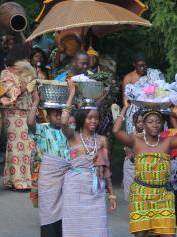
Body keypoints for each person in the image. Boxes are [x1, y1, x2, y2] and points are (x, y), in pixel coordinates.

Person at [113, 100, 177, 237]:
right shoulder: (136, 141)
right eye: (150, 122)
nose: (155, 125)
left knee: (168, 234)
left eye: (158, 121)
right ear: (143, 124)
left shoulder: (167, 142)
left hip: (163, 195)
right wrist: (125, 107)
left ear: (162, 124)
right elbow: (115, 131)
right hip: (140, 195)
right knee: (141, 234)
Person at [57, 80, 116, 236]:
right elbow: (64, 122)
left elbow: (106, 169)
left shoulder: (102, 140)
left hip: (96, 189)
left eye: (96, 118)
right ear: (82, 119)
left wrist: (111, 194)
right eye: (90, 118)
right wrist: (71, 94)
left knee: (98, 228)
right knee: (75, 228)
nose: (94, 121)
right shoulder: (73, 136)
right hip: (74, 188)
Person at [27, 90, 70, 237]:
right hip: (49, 176)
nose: (59, 118)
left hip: (67, 176)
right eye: (55, 115)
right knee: (49, 211)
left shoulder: (68, 130)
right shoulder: (43, 129)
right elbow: (31, 122)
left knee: (66, 213)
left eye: (61, 115)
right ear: (48, 116)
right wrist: (35, 102)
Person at [0, 44, 36, 190]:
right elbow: (13, 94)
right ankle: (17, 181)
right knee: (16, 147)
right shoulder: (5, 73)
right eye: (25, 58)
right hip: (12, 113)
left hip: (26, 112)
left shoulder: (26, 73)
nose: (27, 60)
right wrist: (26, 83)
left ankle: (26, 180)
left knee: (28, 145)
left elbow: (34, 95)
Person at [122, 52, 167, 134]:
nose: (143, 68)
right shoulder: (129, 78)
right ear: (134, 64)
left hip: (152, 109)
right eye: (140, 65)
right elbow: (125, 98)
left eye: (145, 65)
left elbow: (162, 91)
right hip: (135, 113)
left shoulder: (153, 74)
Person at [123, 110, 144, 201]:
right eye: (138, 122)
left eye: (143, 121)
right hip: (131, 167)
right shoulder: (130, 136)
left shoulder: (151, 136)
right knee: (133, 195)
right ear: (134, 123)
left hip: (145, 167)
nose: (141, 124)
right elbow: (128, 152)